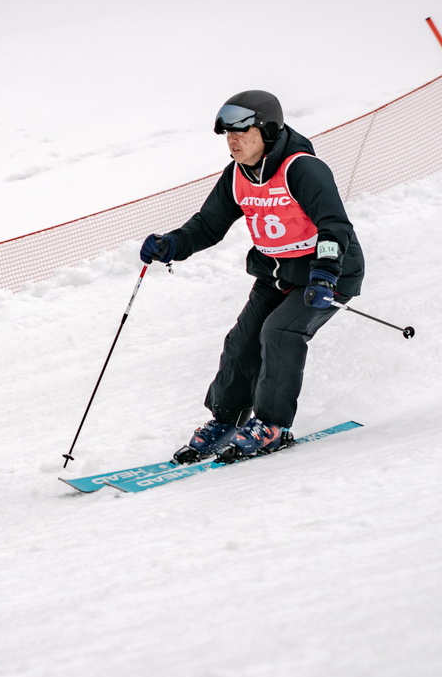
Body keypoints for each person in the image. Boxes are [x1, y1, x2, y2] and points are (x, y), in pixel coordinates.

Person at [140, 89, 364, 464]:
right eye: (228, 134)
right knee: (242, 340)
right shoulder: (237, 175)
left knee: (279, 331)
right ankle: (226, 420)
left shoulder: (302, 168)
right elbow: (208, 225)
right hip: (275, 275)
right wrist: (172, 244)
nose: (233, 141)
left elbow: (334, 225)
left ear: (268, 131)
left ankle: (273, 425)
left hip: (328, 274)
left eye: (242, 132)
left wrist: (325, 272)